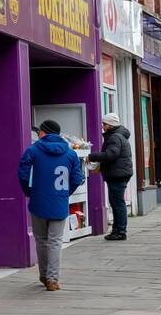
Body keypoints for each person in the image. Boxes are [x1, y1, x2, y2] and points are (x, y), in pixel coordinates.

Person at [18, 119, 84, 291]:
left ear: (44, 132)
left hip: (38, 202)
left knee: (41, 240)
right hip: (59, 203)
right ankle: (52, 279)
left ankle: (43, 274)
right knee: (55, 241)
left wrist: (28, 191)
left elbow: (23, 174)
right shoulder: (70, 154)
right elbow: (77, 178)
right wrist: (65, 194)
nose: (38, 133)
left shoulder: (32, 150)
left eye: (39, 130)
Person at [87, 112, 134, 242]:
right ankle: (117, 230)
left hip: (117, 174)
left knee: (117, 203)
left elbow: (110, 154)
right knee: (116, 203)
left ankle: (120, 231)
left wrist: (92, 156)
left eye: (104, 124)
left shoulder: (114, 137)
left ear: (110, 125)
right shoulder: (118, 136)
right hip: (119, 173)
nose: (102, 126)